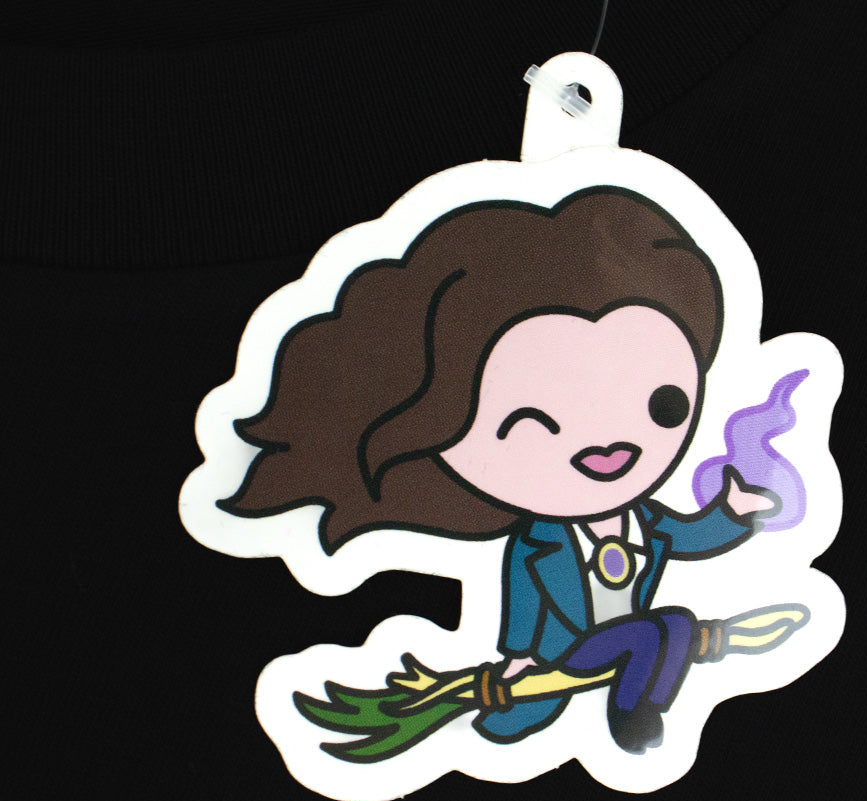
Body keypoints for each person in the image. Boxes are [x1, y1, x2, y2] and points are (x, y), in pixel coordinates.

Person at [222, 186, 777, 753]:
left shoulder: (646, 522)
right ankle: (633, 714)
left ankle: (637, 710)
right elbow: (524, 602)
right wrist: (518, 661)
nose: (606, 441)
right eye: (531, 423)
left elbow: (689, 535)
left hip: (634, 645)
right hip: (567, 655)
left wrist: (733, 512)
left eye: (664, 405)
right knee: (661, 629)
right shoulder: (536, 544)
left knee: (670, 627)